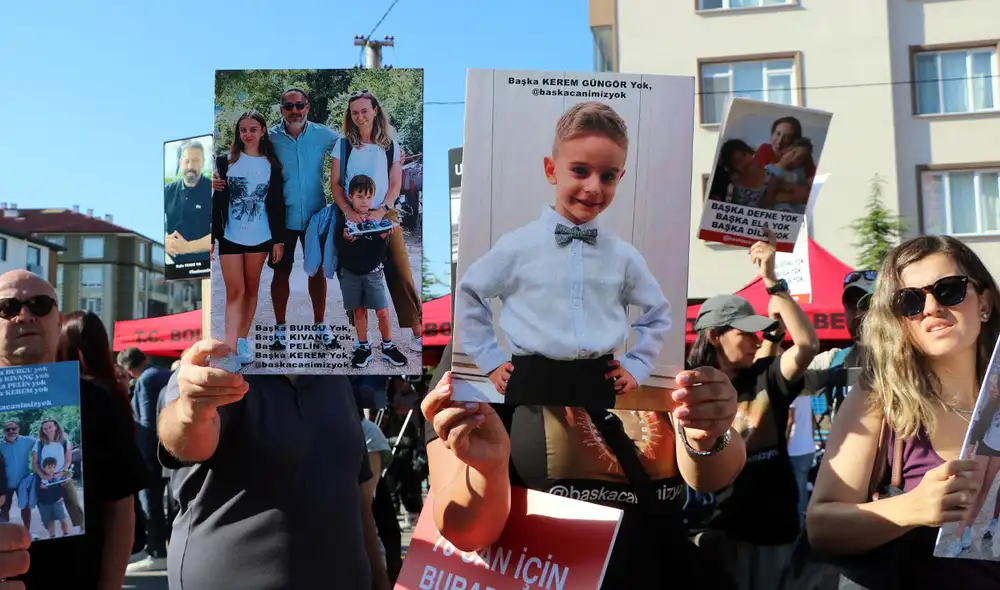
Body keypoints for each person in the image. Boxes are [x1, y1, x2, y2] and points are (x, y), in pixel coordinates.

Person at [423, 334, 745, 588]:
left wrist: (707, 434)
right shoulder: (484, 348)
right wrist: (487, 470)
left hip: (660, 570)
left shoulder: (649, 338)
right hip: (541, 576)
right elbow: (463, 531)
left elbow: (712, 477)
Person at [808, 235, 1000, 586]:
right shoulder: (878, 401)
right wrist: (915, 508)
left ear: (984, 302)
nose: (930, 308)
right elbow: (821, 526)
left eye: (949, 290)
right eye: (909, 301)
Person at [454, 101, 670, 408]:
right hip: (529, 380)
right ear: (551, 170)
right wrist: (489, 359)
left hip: (599, 380)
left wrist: (637, 365)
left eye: (607, 176)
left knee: (608, 455)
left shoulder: (623, 256)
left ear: (620, 178)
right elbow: (470, 292)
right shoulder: (517, 246)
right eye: (580, 171)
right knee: (530, 455)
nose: (594, 187)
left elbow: (657, 312)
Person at [157, 339, 390, 589]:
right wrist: (190, 411)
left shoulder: (334, 375)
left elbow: (357, 493)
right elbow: (187, 441)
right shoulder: (218, 363)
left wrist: (379, 577)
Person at [686, 231, 819, 590]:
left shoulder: (765, 378)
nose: (756, 339)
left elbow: (807, 344)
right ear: (714, 336)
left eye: (758, 332)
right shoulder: (684, 386)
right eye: (744, 332)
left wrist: (772, 281)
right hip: (711, 531)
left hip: (770, 533)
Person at [0, 269, 146, 589]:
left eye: (39, 305)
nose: (23, 316)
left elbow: (120, 509)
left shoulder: (96, 401)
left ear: (58, 320)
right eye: (7, 308)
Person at [213, 87, 341, 352]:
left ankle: (319, 325)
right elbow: (240, 158)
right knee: (280, 273)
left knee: (316, 272)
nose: (295, 111)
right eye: (288, 106)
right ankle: (280, 328)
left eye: (299, 105)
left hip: (316, 215)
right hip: (282, 218)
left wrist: (389, 153)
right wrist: (212, 178)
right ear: (281, 109)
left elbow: (351, 147)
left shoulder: (324, 135)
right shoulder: (269, 136)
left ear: (307, 106)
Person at [331, 89, 422, 353]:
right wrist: (349, 211)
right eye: (354, 112)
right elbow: (335, 183)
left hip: (383, 212)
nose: (359, 116)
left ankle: (417, 331)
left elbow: (396, 185)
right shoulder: (343, 144)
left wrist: (382, 210)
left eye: (364, 110)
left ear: (375, 111)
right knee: (353, 271)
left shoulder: (390, 145)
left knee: (400, 270)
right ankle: (362, 340)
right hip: (351, 213)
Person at [211, 110, 287, 369]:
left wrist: (278, 239)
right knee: (235, 291)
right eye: (243, 129)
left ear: (263, 130)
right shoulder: (225, 162)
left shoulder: (272, 164)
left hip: (261, 237)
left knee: (252, 288)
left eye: (253, 129)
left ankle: (242, 341)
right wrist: (212, 236)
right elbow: (213, 200)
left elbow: (276, 204)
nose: (247, 134)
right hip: (230, 236)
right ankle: (229, 348)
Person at [335, 174, 407, 369]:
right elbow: (338, 247)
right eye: (360, 196)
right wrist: (346, 240)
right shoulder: (344, 221)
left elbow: (380, 252)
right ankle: (363, 346)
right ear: (350, 197)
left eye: (368, 197)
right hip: (350, 273)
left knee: (382, 311)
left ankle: (387, 345)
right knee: (358, 311)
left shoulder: (379, 220)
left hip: (373, 272)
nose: (364, 201)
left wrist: (383, 235)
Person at [116, 346, 172, 572]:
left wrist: (145, 458)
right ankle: (156, 547)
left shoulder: (146, 381)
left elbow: (148, 422)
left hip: (151, 453)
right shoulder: (164, 374)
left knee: (151, 502)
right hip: (168, 451)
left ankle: (156, 550)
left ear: (129, 370)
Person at [164, 139, 212, 265]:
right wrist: (164, 242)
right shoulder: (167, 191)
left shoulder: (214, 191)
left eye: (195, 161)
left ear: (203, 163)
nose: (190, 166)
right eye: (186, 161)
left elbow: (221, 234)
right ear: (180, 163)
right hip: (172, 267)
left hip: (205, 269)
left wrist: (187, 247)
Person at [36, 457, 71, 539]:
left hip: (57, 502)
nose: (51, 469)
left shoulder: (58, 477)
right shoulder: (40, 478)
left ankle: (66, 534)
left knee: (63, 519)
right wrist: (40, 487)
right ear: (43, 468)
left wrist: (63, 487)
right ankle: (52, 536)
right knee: (49, 521)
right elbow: (36, 490)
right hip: (45, 503)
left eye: (53, 467)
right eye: (49, 467)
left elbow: (63, 490)